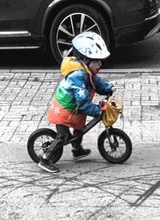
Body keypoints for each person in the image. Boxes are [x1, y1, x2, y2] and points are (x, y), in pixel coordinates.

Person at [38, 31, 115, 174]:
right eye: (97, 61)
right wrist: (97, 110)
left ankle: (77, 149)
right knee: (63, 136)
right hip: (64, 111)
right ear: (86, 60)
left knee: (79, 128)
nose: (100, 64)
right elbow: (83, 102)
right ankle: (45, 159)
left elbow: (96, 82)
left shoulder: (87, 71)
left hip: (73, 110)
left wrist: (107, 88)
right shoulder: (77, 76)